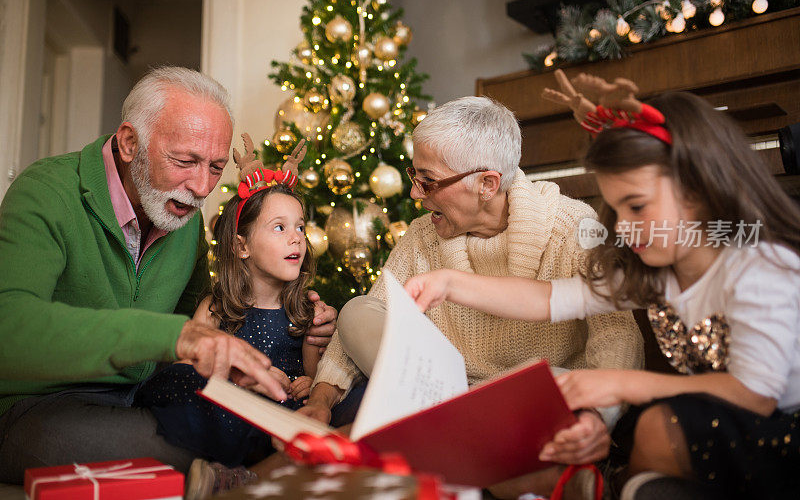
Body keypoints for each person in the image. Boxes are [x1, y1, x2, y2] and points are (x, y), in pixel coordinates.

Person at [404, 72, 800, 498]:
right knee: (652, 432)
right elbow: (552, 297)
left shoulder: (760, 269)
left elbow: (755, 395)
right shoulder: (657, 265)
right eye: (616, 208)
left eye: (637, 207)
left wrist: (619, 383)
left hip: (781, 431)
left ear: (700, 189)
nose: (625, 229)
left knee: (655, 424)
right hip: (726, 420)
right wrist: (449, 283)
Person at [0, 67, 336, 484]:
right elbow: (9, 326)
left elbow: (201, 313)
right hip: (39, 405)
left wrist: (304, 321)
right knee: (192, 445)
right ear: (128, 143)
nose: (200, 187)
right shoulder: (47, 192)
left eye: (215, 167)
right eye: (184, 161)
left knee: (259, 426)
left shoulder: (182, 218)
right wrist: (176, 337)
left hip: (145, 398)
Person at [301, 95, 644, 498]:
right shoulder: (422, 235)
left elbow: (617, 334)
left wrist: (596, 420)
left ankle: (443, 458)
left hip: (521, 407)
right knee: (359, 312)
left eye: (428, 181)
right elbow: (372, 320)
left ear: (487, 183)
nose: (414, 193)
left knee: (557, 385)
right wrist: (322, 398)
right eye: (415, 175)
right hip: (442, 399)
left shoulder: (573, 227)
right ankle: (507, 474)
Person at [136, 137, 321, 497]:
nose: (296, 239)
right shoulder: (217, 306)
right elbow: (192, 362)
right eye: (280, 228)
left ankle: (246, 476)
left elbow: (311, 378)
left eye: (300, 227)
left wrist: (304, 384)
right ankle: (224, 471)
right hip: (231, 405)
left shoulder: (307, 311)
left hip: (278, 411)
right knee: (196, 392)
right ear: (241, 246)